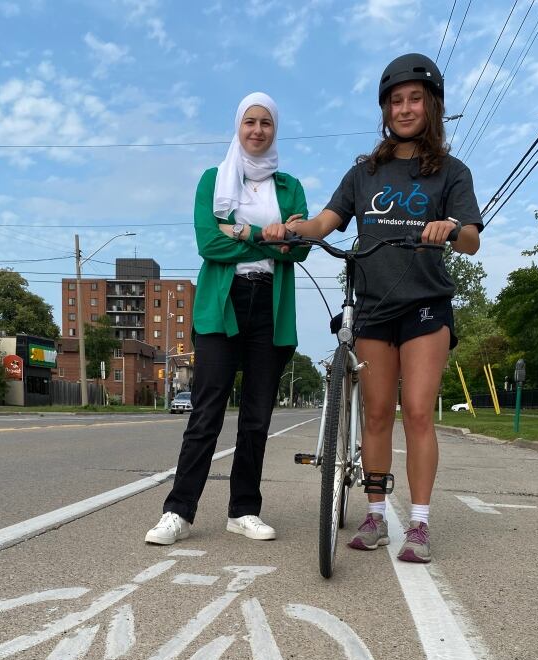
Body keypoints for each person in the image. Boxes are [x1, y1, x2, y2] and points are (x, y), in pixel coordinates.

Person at [263, 54, 482, 563]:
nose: (404, 109)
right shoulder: (365, 172)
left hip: (426, 304)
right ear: (385, 110)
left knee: (419, 412)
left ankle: (421, 526)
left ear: (431, 106)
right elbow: (325, 222)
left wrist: (450, 228)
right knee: (377, 414)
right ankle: (377, 516)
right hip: (373, 306)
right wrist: (288, 227)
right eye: (395, 101)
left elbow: (471, 239)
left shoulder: (451, 171)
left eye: (413, 99)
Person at [145, 92, 309, 546]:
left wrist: (238, 230)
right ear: (238, 127)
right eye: (249, 122)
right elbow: (208, 244)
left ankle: (243, 511)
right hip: (222, 304)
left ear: (276, 130)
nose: (258, 130)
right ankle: (178, 512)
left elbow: (300, 248)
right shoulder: (213, 180)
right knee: (207, 413)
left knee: (256, 418)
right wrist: (263, 236)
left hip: (269, 307)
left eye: (267, 123)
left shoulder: (290, 187)